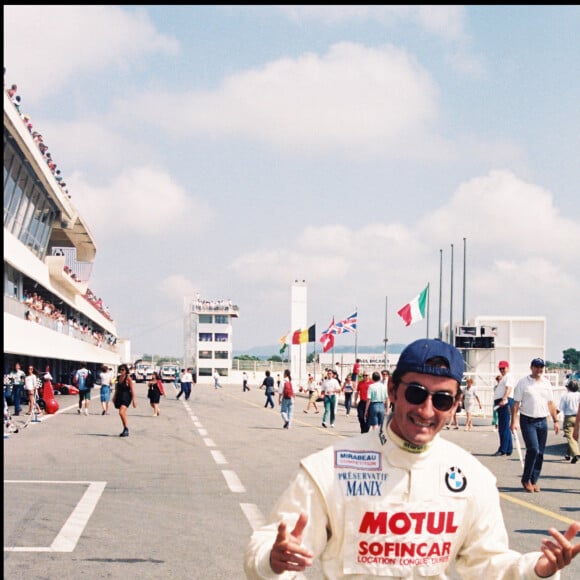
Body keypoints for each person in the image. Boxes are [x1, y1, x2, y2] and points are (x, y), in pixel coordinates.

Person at [244, 338, 580, 579]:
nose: (426, 410)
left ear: (456, 403)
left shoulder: (472, 477)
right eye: (416, 393)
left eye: (443, 400)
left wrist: (538, 570)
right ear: (392, 391)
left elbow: (488, 565)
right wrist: (272, 560)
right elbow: (265, 547)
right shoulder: (328, 468)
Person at [511, 357, 560, 493]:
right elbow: (516, 404)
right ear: (531, 367)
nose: (539, 369)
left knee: (540, 453)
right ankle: (525, 479)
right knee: (533, 449)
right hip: (528, 420)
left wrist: (555, 421)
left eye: (541, 367)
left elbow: (550, 403)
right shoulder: (523, 383)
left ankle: (533, 480)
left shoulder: (546, 383)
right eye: (536, 367)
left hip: (542, 421)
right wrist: (513, 421)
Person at [493, 360, 515, 455]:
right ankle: (508, 449)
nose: (502, 370)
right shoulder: (504, 377)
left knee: (503, 427)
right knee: (504, 426)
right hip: (502, 401)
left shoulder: (508, 376)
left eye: (503, 368)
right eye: (500, 368)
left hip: (504, 402)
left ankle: (503, 449)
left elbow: (508, 388)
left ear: (507, 368)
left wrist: (504, 399)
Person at [559, 378, 580, 463]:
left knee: (570, 436)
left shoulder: (565, 396)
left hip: (569, 417)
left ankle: (576, 453)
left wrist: (554, 416)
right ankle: (568, 454)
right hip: (578, 417)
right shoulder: (579, 395)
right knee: (574, 437)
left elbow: (560, 408)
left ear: (569, 388)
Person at [113, 364, 136, 437]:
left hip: (126, 396)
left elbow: (132, 389)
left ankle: (126, 428)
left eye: (123, 370)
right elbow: (117, 388)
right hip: (119, 396)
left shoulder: (128, 378)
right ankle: (125, 429)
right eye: (120, 369)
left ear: (126, 370)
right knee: (122, 413)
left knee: (121, 412)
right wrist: (114, 396)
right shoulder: (118, 377)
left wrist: (134, 400)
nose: (121, 371)